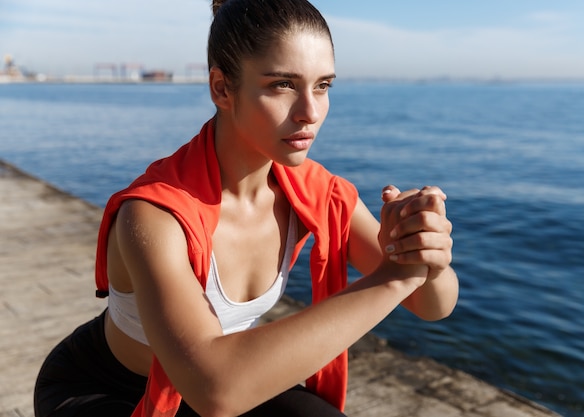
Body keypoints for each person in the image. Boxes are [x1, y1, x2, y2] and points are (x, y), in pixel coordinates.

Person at [34, 0, 458, 416]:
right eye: (282, 85)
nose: (310, 112)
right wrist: (394, 277)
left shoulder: (321, 195)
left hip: (221, 377)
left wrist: (425, 255)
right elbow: (214, 391)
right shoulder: (155, 215)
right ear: (222, 88)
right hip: (106, 388)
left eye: (323, 85)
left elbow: (432, 306)